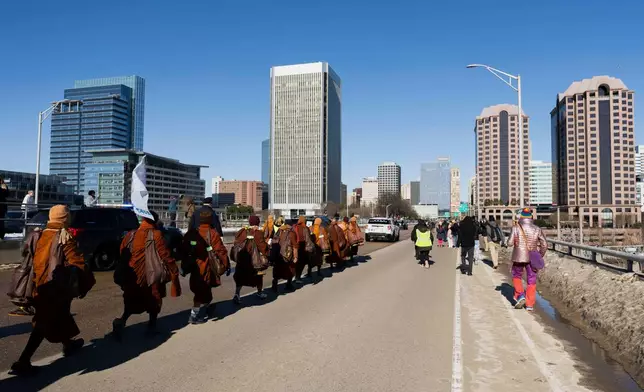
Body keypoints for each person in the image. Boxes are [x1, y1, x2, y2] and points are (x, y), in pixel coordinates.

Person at [11, 205, 94, 375]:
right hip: (55, 288)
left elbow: (25, 254)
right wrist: (85, 280)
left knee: (60, 316)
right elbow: (76, 264)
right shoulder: (64, 237)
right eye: (68, 215)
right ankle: (23, 360)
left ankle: (68, 345)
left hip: (37, 285)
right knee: (43, 322)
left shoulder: (39, 234)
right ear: (64, 218)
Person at [113, 211, 181, 340]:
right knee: (154, 299)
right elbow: (165, 255)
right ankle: (151, 326)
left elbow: (122, 251)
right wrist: (174, 270)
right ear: (154, 221)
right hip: (150, 275)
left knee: (131, 300)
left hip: (133, 274)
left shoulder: (131, 234)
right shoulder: (156, 234)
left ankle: (121, 322)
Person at [181, 209, 229, 324]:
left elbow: (183, 247)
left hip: (195, 266)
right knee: (201, 290)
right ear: (210, 220)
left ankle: (208, 306)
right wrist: (225, 263)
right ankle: (193, 315)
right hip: (207, 266)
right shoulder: (213, 233)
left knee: (202, 288)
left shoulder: (193, 232)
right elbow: (220, 250)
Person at [507, 208, 547, 312]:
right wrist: (539, 255)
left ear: (521, 217)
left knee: (516, 275)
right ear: (531, 217)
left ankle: (520, 295)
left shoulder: (516, 227)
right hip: (532, 256)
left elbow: (509, 243)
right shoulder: (537, 229)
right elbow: (544, 245)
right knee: (531, 279)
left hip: (519, 257)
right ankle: (529, 304)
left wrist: (515, 241)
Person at [233, 216, 270, 303]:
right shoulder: (258, 233)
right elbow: (263, 247)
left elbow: (236, 241)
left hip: (242, 259)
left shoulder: (242, 231)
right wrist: (267, 252)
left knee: (240, 278)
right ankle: (259, 292)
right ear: (257, 223)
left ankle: (236, 294)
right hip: (253, 261)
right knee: (258, 276)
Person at [270, 217, 298, 293]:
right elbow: (295, 246)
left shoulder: (278, 231)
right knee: (290, 269)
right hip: (287, 255)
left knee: (277, 270)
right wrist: (295, 256)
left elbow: (273, 241)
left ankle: (274, 284)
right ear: (291, 225)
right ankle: (288, 284)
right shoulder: (292, 233)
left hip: (278, 254)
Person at [294, 216, 313, 282]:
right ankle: (298, 277)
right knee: (302, 263)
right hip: (303, 247)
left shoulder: (294, 227)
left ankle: (295, 276)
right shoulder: (305, 228)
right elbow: (308, 238)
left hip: (295, 247)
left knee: (296, 263)